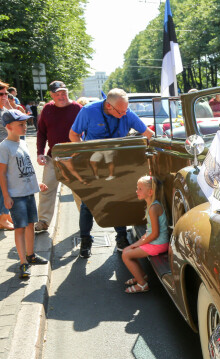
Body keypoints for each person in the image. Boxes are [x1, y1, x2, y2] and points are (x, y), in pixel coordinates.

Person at [69, 88, 154, 257]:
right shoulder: (88, 112)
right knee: (88, 203)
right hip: (95, 163)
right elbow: (73, 135)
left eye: (126, 110)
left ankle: (121, 237)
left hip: (118, 163)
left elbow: (149, 134)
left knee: (119, 200)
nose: (124, 114)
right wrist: (84, 155)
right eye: (121, 111)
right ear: (108, 106)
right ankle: (85, 240)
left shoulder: (126, 113)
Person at [0, 110, 49, 278]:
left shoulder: (23, 143)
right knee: (20, 228)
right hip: (16, 195)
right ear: (9, 127)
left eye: (25, 123)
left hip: (28, 192)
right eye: (20, 124)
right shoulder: (4, 146)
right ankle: (23, 262)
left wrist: (37, 184)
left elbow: (27, 167)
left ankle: (31, 255)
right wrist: (6, 196)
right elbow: (2, 174)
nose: (25, 126)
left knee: (30, 225)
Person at [35, 81, 83, 234]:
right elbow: (41, 133)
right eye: (57, 94)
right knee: (46, 190)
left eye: (63, 93)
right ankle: (43, 221)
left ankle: (85, 219)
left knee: (79, 191)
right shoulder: (47, 109)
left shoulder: (77, 109)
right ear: (51, 95)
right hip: (53, 157)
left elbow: (86, 130)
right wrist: (39, 152)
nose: (61, 96)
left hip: (74, 157)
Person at [121, 176, 168, 293]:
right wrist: (137, 244)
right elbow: (150, 231)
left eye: (140, 189)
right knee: (127, 251)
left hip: (159, 243)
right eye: (137, 188)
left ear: (150, 192)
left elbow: (154, 234)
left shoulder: (153, 208)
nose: (137, 191)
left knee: (126, 255)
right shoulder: (152, 205)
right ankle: (141, 276)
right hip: (156, 241)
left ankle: (142, 284)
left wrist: (138, 243)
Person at [0, 80, 15, 230]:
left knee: (7, 185)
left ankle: (5, 214)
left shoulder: (4, 110)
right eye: (1, 94)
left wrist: (8, 103)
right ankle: (2, 218)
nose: (5, 96)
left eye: (6, 94)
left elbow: (18, 116)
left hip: (6, 153)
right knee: (2, 186)